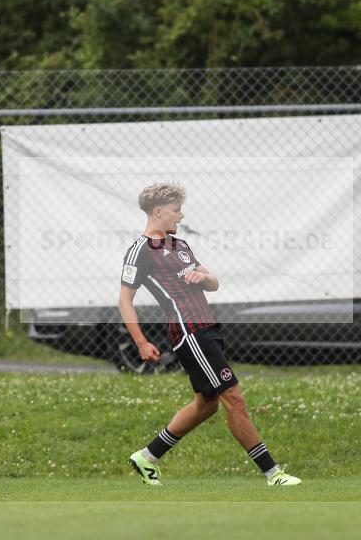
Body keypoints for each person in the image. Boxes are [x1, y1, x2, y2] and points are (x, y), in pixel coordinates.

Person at [118, 182, 301, 487]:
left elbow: (213, 283)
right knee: (234, 398)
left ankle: (148, 456)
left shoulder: (180, 245)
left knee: (207, 404)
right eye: (176, 209)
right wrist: (141, 342)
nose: (181, 214)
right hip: (189, 331)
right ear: (159, 211)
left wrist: (203, 277)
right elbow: (124, 300)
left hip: (207, 328)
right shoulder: (140, 250)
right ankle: (273, 473)